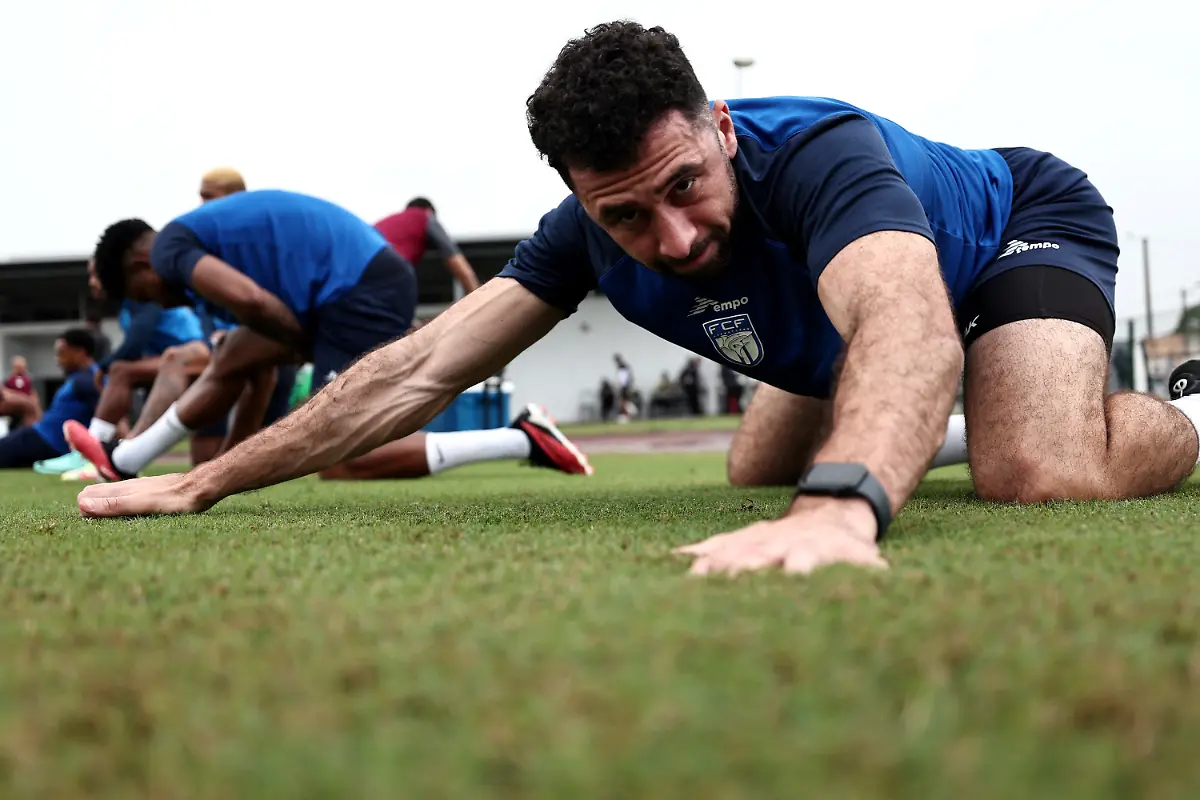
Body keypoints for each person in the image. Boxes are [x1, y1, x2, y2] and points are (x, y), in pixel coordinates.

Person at [75, 21, 1200, 580]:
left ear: (721, 128)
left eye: (686, 188)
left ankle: (1180, 413)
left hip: (1009, 227)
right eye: (623, 216)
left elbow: (903, 319)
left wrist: (842, 509)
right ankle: (967, 412)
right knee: (755, 468)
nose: (674, 240)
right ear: (573, 196)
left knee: (1035, 471)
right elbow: (413, 369)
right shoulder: (579, 237)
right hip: (852, 321)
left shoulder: (819, 153)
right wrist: (203, 481)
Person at [67, 189, 592, 484]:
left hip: (357, 287)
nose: (152, 302)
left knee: (342, 459)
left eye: (139, 291)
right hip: (345, 286)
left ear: (142, 262)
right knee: (231, 356)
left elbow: (253, 303)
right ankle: (127, 461)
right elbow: (253, 367)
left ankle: (522, 438)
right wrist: (223, 477)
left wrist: (299, 342)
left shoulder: (169, 251)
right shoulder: (193, 242)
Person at [0, 330, 98, 469]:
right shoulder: (80, 378)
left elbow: (110, 414)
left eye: (61, 353)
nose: (58, 360)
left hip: (48, 443)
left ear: (79, 352)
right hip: (39, 436)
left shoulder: (88, 380)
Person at [374, 197, 481, 297]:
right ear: (429, 210)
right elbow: (456, 261)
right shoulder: (424, 216)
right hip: (387, 270)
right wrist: (476, 298)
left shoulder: (386, 223)